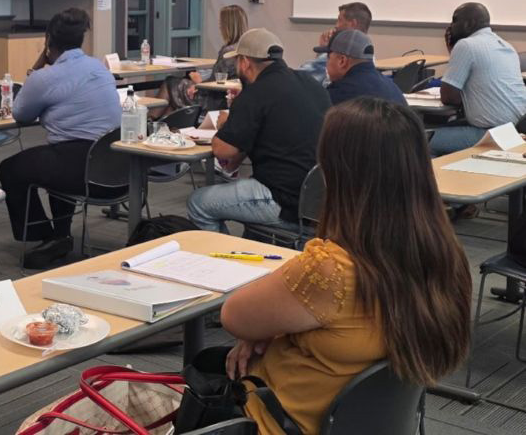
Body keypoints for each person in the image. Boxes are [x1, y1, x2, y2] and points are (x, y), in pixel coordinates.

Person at [220, 98, 471, 434]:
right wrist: (266, 329)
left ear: (337, 172)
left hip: (272, 420)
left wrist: (259, 331)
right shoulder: (442, 254)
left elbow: (234, 316)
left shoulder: (329, 270)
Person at [0, 8, 121, 269]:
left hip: (83, 171)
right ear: (81, 40)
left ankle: (44, 235)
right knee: (53, 155)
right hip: (119, 168)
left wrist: (37, 65)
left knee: (11, 168)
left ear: (48, 42)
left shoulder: (45, 77)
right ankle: (59, 235)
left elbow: (20, 113)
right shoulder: (98, 67)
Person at [187, 29, 331, 233]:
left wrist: (225, 124)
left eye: (237, 62)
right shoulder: (311, 84)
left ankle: (222, 259)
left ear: (245, 62)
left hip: (283, 200)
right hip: (321, 200)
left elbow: (223, 150)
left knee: (198, 203)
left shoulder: (255, 93)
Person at [430, 2, 526, 156]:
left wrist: (454, 50)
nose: (450, 26)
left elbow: (448, 97)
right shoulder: (506, 46)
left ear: (469, 24)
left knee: (423, 142)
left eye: (454, 20)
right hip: (517, 131)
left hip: (493, 134)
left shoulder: (466, 46)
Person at [154, 5, 248, 117]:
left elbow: (216, 83)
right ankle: (161, 124)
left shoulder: (228, 52)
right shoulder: (245, 49)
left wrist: (198, 82)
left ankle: (150, 122)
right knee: (171, 102)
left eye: (220, 23)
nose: (219, 26)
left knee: (170, 83)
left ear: (227, 26)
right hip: (225, 97)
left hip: (212, 100)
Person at [313, 29, 406, 106]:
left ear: (342, 61)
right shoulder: (391, 86)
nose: (327, 63)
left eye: (328, 57)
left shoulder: (339, 94)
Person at [298, 2, 372, 85]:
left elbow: (301, 78)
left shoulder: (338, 53)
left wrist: (326, 51)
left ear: (352, 24)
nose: (336, 26)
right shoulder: (369, 56)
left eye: (339, 20)